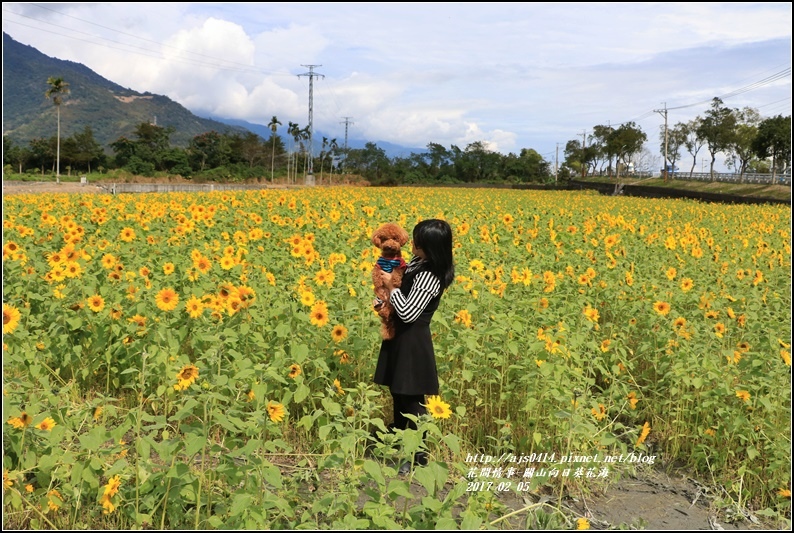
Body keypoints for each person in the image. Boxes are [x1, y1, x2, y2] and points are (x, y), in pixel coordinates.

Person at [372, 219, 455, 474]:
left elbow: (408, 312)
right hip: (400, 336)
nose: (413, 243)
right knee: (399, 393)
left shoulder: (431, 275)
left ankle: (417, 456)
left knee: (413, 400)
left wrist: (388, 285)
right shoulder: (418, 263)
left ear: (430, 246)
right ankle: (398, 445)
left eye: (418, 240)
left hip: (413, 341)